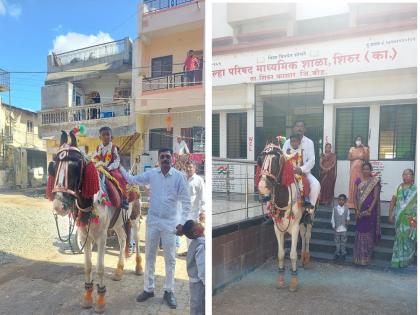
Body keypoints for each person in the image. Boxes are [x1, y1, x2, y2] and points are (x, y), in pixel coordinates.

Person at [120, 148, 191, 309]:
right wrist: (120, 167)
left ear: (172, 159)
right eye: (162, 157)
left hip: (171, 225)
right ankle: (148, 289)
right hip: (153, 222)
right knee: (150, 257)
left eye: (167, 156)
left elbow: (186, 203)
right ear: (158, 160)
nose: (165, 159)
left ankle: (169, 291)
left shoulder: (179, 177)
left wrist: (183, 223)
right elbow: (132, 179)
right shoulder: (152, 174)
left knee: (170, 259)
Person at [282, 120, 321, 210]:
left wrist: (301, 169)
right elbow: (283, 157)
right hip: (288, 173)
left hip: (304, 172)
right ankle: (273, 211)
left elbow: (312, 160)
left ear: (305, 129)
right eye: (297, 126)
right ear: (294, 128)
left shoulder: (309, 142)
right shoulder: (287, 142)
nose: (299, 128)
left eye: (301, 126)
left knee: (316, 185)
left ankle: (309, 211)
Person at [93, 126, 128, 209]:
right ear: (100, 137)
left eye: (107, 135)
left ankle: (124, 198)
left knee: (119, 177)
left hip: (112, 168)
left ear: (111, 137)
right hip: (100, 168)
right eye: (103, 135)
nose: (105, 137)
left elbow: (117, 161)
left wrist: (109, 168)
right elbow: (95, 158)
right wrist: (96, 165)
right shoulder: (98, 148)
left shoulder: (113, 148)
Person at [353, 162, 381, 266]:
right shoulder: (358, 180)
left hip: (370, 211)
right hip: (359, 211)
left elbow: (375, 197)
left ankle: (366, 257)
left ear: (370, 170)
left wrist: (370, 210)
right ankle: (358, 258)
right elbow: (355, 196)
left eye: (367, 169)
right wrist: (356, 210)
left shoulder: (374, 181)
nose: (365, 171)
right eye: (364, 169)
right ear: (362, 170)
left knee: (368, 233)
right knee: (360, 232)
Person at [388, 169, 417, 268]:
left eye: (407, 174)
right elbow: (393, 201)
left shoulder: (416, 189)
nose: (405, 176)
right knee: (399, 238)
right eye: (403, 174)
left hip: (411, 220)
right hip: (399, 218)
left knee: (409, 239)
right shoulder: (398, 187)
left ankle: (407, 260)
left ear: (412, 177)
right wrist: (390, 214)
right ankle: (398, 259)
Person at [179, 160, 206, 256]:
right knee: (187, 231)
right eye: (187, 167)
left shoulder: (199, 180)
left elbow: (203, 196)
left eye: (190, 167)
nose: (188, 169)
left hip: (195, 211)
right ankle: (190, 251)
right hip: (184, 210)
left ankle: (197, 252)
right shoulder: (182, 179)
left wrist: (203, 210)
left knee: (194, 232)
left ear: (195, 168)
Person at [182, 220, 205, 315]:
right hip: (199, 282)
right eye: (198, 224)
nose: (200, 223)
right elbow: (203, 269)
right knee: (199, 307)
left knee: (195, 304)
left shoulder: (195, 243)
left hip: (195, 281)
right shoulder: (201, 245)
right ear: (196, 232)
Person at [284, 133, 311, 207]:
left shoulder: (302, 151)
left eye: (295, 141)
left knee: (305, 181)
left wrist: (301, 169)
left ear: (299, 142)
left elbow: (305, 163)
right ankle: (271, 196)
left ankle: (306, 198)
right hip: (289, 173)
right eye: (292, 141)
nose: (294, 143)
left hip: (299, 172)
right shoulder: (287, 151)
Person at [347, 136, 369, 208]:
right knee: (353, 184)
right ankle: (351, 202)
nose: (358, 141)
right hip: (353, 169)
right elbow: (349, 158)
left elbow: (366, 159)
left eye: (360, 139)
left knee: (361, 184)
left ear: (362, 141)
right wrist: (358, 157)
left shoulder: (365, 149)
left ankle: (360, 202)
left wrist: (363, 148)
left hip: (361, 169)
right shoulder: (352, 148)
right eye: (357, 139)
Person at [331, 194, 350, 261]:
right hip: (337, 228)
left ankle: (343, 253)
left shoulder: (347, 208)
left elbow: (348, 216)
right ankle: (337, 253)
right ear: (338, 200)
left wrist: (347, 221)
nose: (341, 201)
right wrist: (333, 225)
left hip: (344, 228)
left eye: (343, 200)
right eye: (340, 200)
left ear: (345, 201)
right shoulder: (335, 208)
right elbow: (333, 217)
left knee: (343, 241)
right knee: (337, 241)